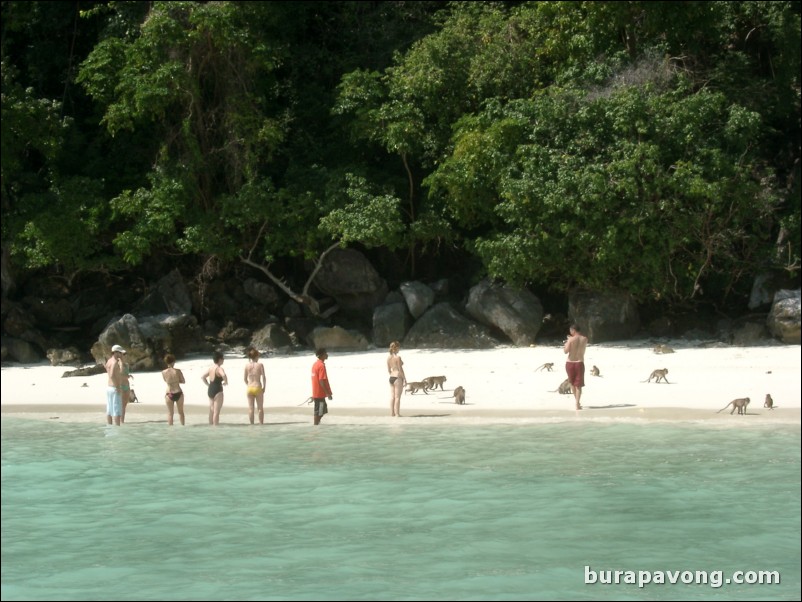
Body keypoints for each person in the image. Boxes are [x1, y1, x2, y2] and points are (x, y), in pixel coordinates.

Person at [563, 324, 588, 410]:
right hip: (579, 362)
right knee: (579, 385)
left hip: (570, 363)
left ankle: (577, 402)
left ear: (573, 330)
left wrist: (567, 342)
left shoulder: (570, 339)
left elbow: (565, 351)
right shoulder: (584, 339)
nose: (570, 332)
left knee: (572, 383)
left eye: (570, 330)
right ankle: (577, 403)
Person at [202, 351, 228, 425]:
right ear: (219, 359)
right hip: (217, 390)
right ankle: (215, 428)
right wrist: (226, 382)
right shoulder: (219, 368)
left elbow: (203, 377)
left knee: (211, 410)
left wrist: (207, 384)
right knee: (216, 412)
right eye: (223, 358)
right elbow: (223, 375)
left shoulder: (210, 368)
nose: (223, 360)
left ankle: (210, 426)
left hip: (210, 389)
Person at [244, 347, 267, 425]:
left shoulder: (247, 366)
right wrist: (264, 387)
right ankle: (261, 424)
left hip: (250, 388)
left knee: (251, 409)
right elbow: (263, 377)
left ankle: (252, 425)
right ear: (257, 356)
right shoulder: (260, 365)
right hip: (257, 387)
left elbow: (244, 379)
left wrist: (249, 385)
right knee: (260, 408)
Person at [310, 348, 333, 425]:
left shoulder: (315, 364)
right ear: (322, 355)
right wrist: (328, 393)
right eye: (325, 353)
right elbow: (321, 381)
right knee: (319, 411)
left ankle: (317, 424)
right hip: (320, 394)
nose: (327, 354)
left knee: (322, 410)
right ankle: (316, 426)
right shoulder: (321, 366)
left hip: (316, 393)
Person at [162, 353, 186, 426]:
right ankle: (183, 428)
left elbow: (166, 381)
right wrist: (177, 381)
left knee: (170, 414)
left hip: (169, 393)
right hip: (178, 392)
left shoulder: (163, 372)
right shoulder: (177, 371)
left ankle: (170, 431)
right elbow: (183, 381)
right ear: (173, 362)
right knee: (181, 413)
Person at [105, 344, 125, 426]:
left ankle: (109, 426)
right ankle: (117, 428)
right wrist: (117, 386)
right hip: (114, 388)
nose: (121, 355)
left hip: (109, 387)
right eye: (120, 353)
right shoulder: (114, 362)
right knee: (117, 410)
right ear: (116, 352)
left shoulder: (109, 361)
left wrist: (122, 364)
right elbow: (112, 375)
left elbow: (112, 372)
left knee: (109, 410)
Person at [387, 341, 406, 417]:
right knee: (397, 397)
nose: (399, 349)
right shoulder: (398, 357)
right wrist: (404, 379)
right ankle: (397, 414)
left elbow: (389, 370)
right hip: (398, 377)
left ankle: (392, 413)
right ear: (396, 348)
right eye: (399, 347)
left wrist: (393, 375)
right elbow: (400, 369)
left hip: (391, 377)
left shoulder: (388, 358)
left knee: (392, 397)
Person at [120, 349, 134, 423]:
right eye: (123, 354)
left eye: (125, 354)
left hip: (127, 385)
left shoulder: (127, 364)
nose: (125, 356)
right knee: (121, 404)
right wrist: (127, 376)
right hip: (121, 386)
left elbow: (125, 374)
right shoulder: (119, 364)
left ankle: (122, 420)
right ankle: (120, 420)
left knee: (125, 404)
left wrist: (128, 376)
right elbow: (120, 375)